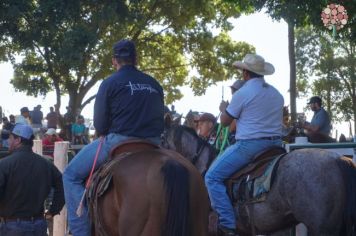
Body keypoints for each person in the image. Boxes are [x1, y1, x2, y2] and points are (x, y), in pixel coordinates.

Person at [63, 39, 164, 235]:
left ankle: (79, 232)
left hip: (119, 141)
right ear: (136, 59)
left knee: (70, 175)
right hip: (154, 144)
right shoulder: (154, 84)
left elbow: (100, 125)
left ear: (114, 61)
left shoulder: (109, 83)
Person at [205, 54, 284, 236]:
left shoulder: (243, 93)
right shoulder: (276, 94)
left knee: (212, 177)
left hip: (250, 146)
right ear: (262, 73)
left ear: (246, 73)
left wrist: (223, 108)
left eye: (242, 71)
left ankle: (227, 224)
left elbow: (225, 122)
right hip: (276, 145)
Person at [0, 124, 65, 235]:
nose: (8, 141)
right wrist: (53, 210)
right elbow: (62, 184)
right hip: (39, 225)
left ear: (18, 140)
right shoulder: (46, 164)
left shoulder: (4, 164)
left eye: (10, 138)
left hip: (12, 226)